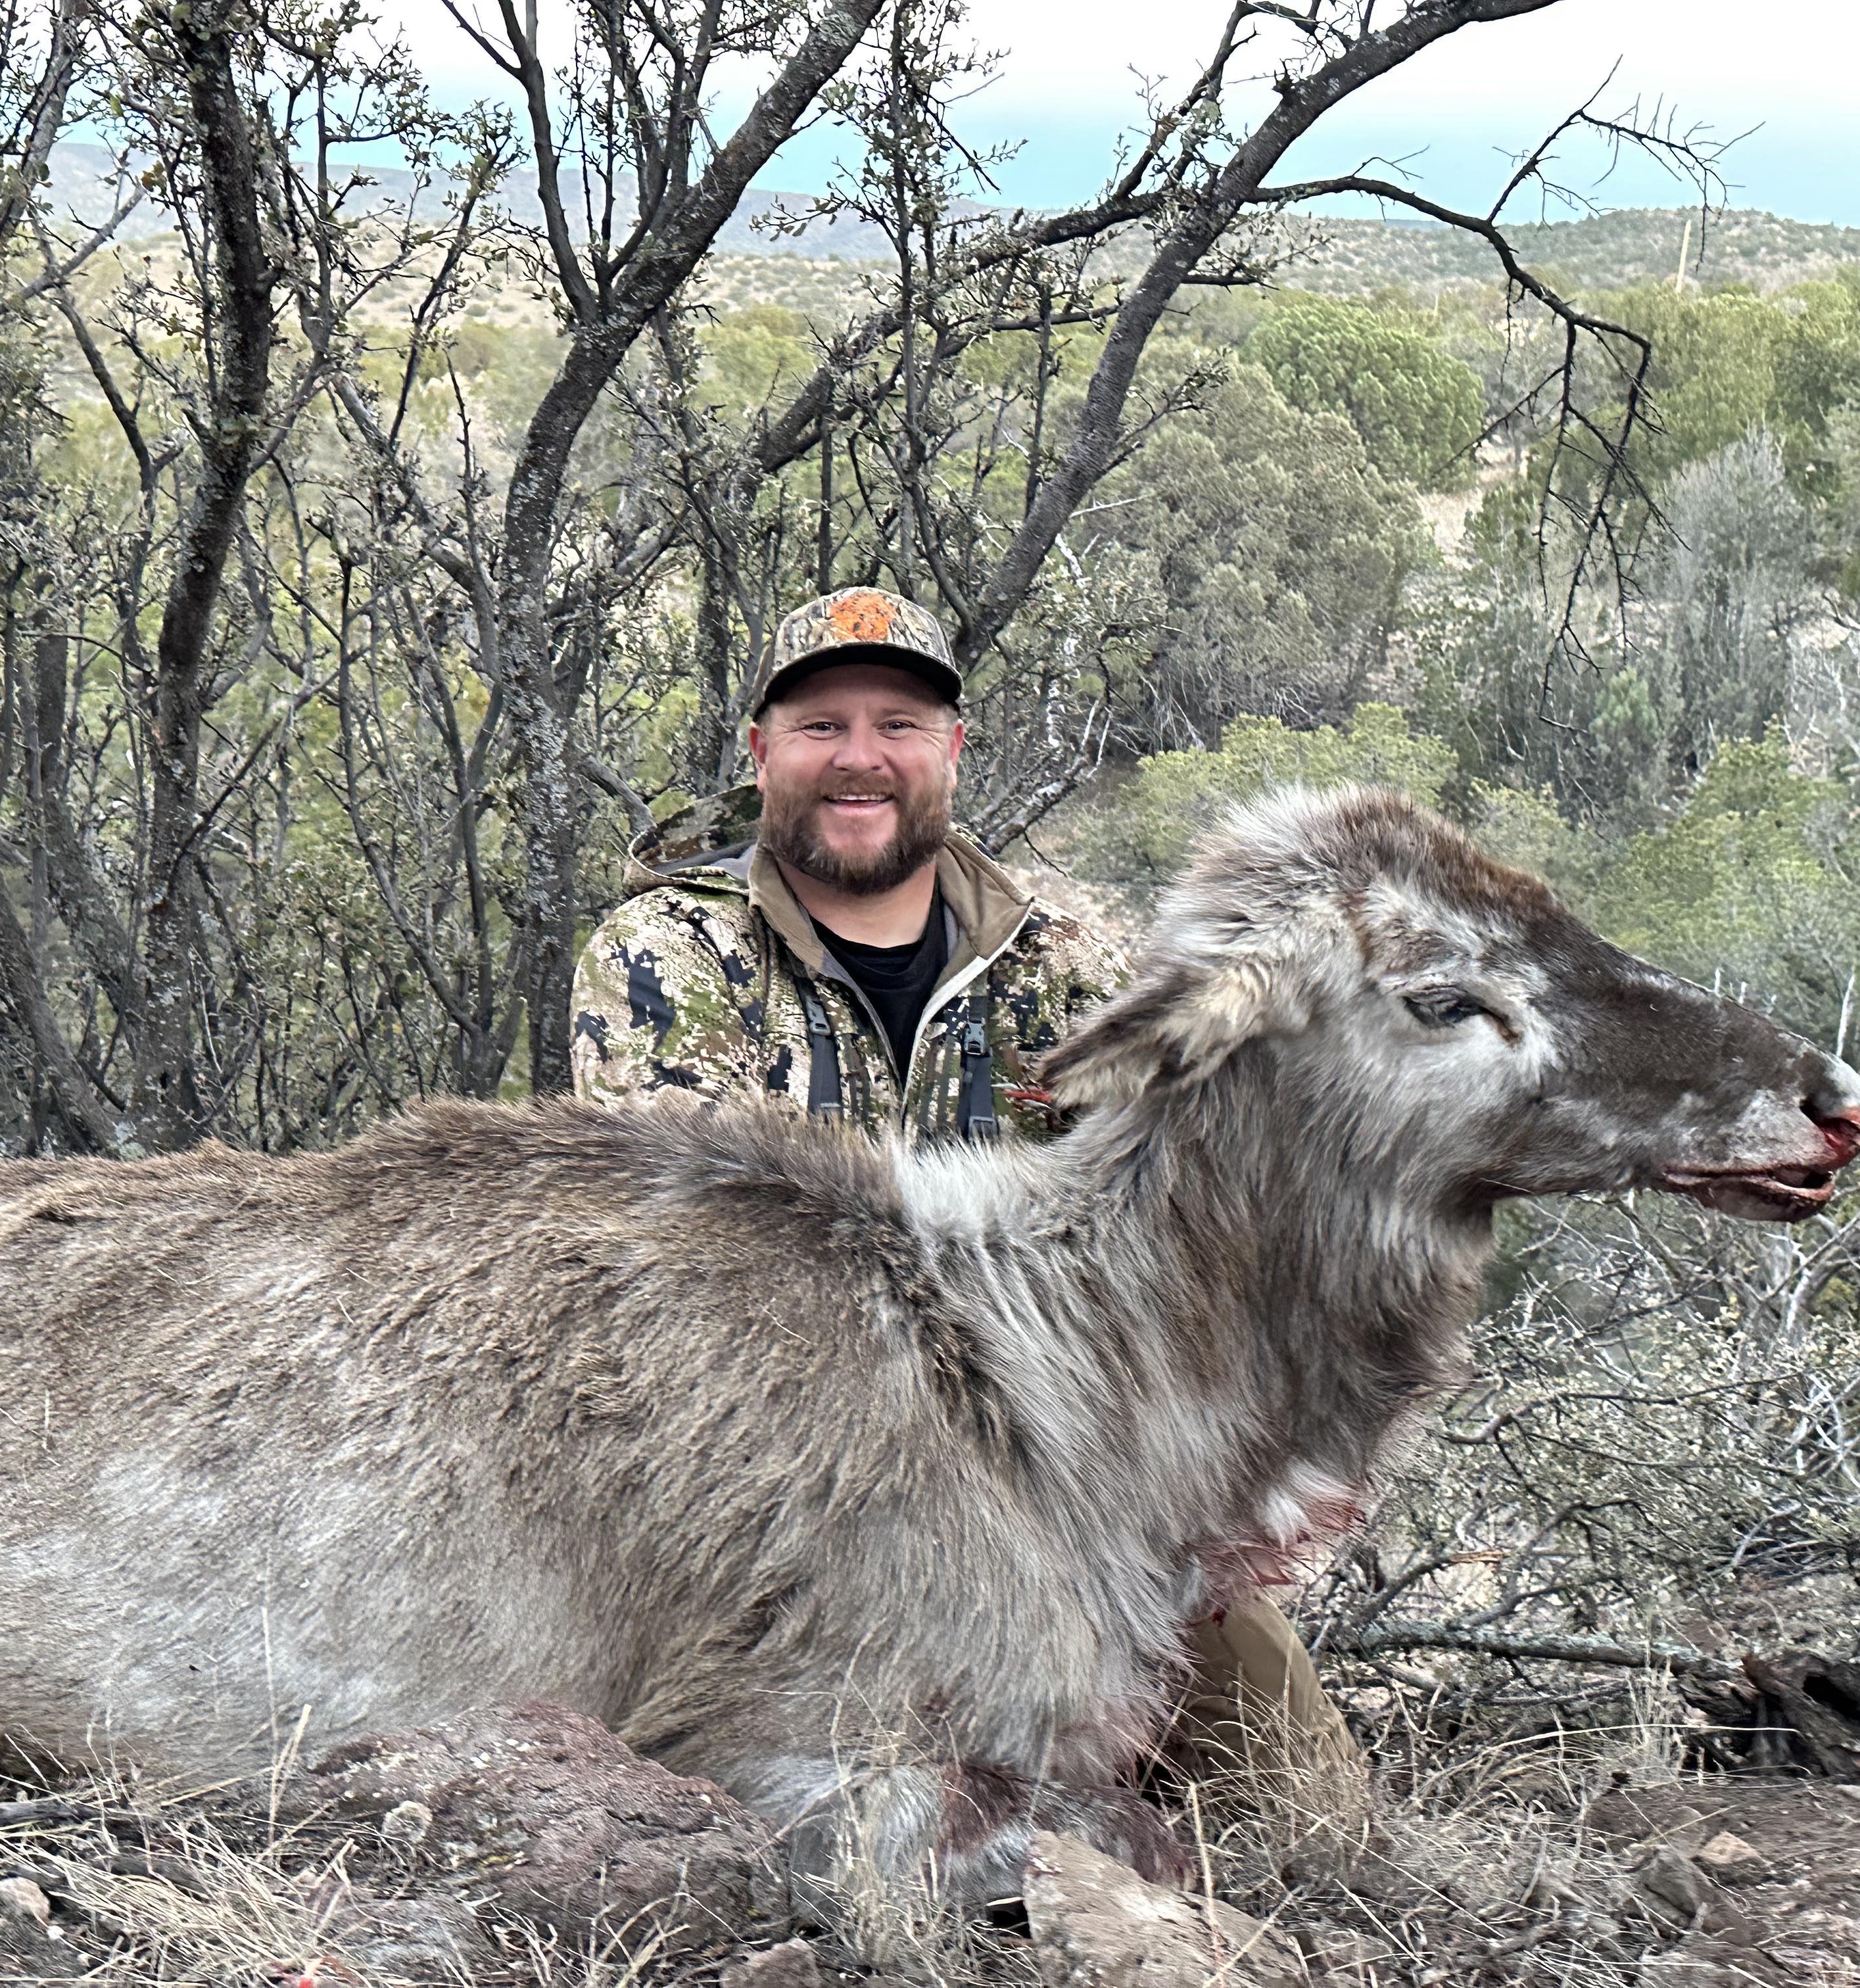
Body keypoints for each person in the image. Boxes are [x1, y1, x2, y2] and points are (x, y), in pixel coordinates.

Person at [571, 584, 1367, 1841]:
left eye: (899, 722)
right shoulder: (664, 958)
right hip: (790, 1485)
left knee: (1307, 1812)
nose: (860, 757)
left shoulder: (1074, 960)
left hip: (1058, 1472)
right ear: (761, 753)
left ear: (952, 749)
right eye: (820, 725)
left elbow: (1183, 1239)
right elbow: (675, 1280)